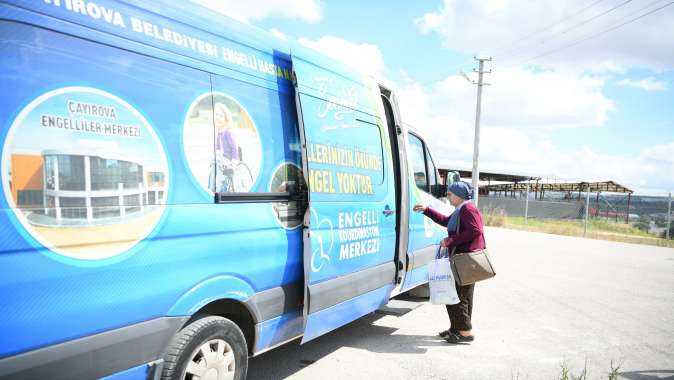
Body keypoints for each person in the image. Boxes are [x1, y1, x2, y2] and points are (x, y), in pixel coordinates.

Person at [413, 181, 486, 344]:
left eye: (450, 194)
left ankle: (465, 332)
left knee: (457, 295)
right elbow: (446, 222)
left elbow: (475, 231)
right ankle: (457, 328)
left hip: (466, 259)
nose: (448, 196)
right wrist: (427, 210)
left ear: (458, 195)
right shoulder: (461, 209)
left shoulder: (468, 208)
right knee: (461, 295)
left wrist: (450, 240)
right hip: (462, 258)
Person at [213, 102, 239, 192]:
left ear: (226, 119)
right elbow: (217, 148)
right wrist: (217, 155)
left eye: (220, 116)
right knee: (213, 164)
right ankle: (212, 187)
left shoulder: (228, 132)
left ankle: (220, 189)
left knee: (218, 168)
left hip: (229, 160)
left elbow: (234, 147)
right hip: (221, 159)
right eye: (216, 115)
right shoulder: (219, 133)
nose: (218, 118)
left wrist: (234, 162)